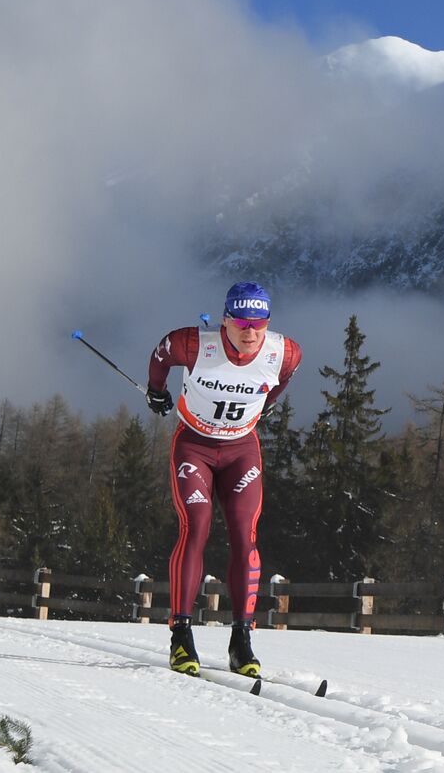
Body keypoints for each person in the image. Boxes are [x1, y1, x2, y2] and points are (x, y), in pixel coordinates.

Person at [146, 281, 301, 676]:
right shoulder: (194, 344)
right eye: (241, 321)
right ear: (226, 320)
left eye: (259, 321)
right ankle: (181, 636)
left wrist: (260, 409)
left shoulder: (284, 352)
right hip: (194, 447)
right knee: (195, 527)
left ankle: (241, 641)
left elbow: (278, 386)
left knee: (245, 537)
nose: (250, 331)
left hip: (240, 451)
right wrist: (155, 391)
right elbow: (160, 357)